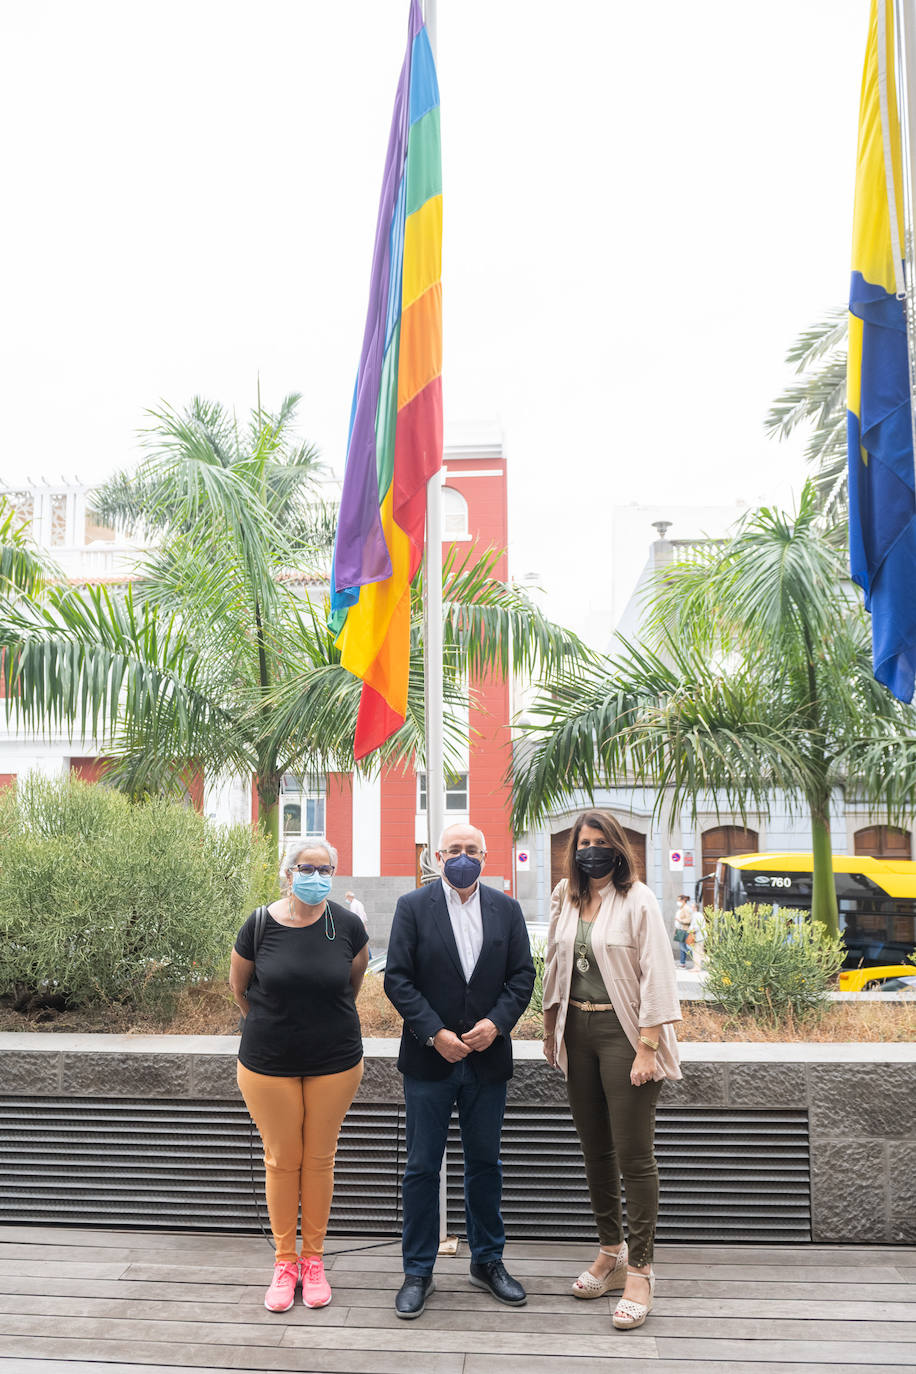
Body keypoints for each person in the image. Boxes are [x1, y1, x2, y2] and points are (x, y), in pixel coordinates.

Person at [384, 822, 535, 1320]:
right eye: (454, 850)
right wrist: (434, 1033)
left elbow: (521, 977)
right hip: (430, 1060)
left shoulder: (507, 910)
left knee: (485, 1166)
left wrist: (496, 1025)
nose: (463, 857)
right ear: (437, 856)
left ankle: (487, 1261)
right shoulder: (412, 908)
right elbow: (398, 979)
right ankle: (418, 1270)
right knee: (422, 1168)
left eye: (473, 850)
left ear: (486, 856)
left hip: (488, 1058)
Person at [542, 810, 681, 1332]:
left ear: (618, 848)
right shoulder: (567, 897)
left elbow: (658, 974)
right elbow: (556, 964)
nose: (591, 850)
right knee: (594, 1149)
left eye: (600, 842)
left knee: (634, 1155)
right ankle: (610, 1251)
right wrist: (550, 1023)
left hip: (626, 1037)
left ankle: (642, 1270)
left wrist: (648, 1047)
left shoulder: (638, 900)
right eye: (584, 842)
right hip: (577, 1034)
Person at [229, 838, 369, 1313]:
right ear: (288, 873)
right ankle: (284, 1262)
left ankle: (314, 1260)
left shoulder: (347, 925)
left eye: (325, 868)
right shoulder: (260, 923)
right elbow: (239, 988)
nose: (315, 876)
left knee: (320, 1160)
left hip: (335, 1060)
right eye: (306, 868)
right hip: (268, 1062)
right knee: (281, 1159)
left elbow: (352, 985)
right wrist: (274, 1023)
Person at [673, 894, 693, 967]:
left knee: (684, 947)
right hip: (680, 930)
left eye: (679, 900)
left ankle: (698, 958)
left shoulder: (686, 908)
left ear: (683, 900)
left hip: (684, 930)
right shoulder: (681, 908)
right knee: (682, 947)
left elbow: (689, 919)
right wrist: (676, 929)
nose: (677, 902)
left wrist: (680, 920)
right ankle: (682, 963)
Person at [687, 902, 707, 969]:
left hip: (698, 937)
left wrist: (690, 930)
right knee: (700, 952)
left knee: (697, 952)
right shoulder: (698, 915)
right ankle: (698, 967)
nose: (690, 908)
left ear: (695, 908)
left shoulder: (696, 915)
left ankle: (697, 968)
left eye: (691, 907)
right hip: (701, 936)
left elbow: (696, 926)